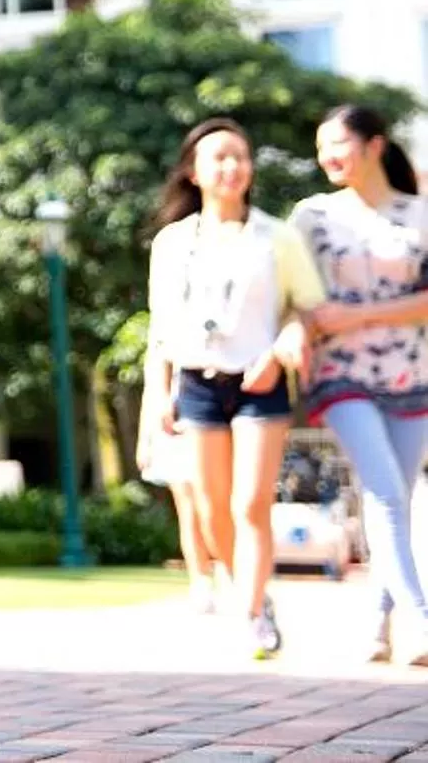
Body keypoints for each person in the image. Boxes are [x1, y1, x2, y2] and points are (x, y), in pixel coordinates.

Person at [141, 116, 322, 659]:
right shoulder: (172, 243)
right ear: (193, 172)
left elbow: (305, 310)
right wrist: (158, 399)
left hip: (258, 380)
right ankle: (255, 592)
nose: (231, 167)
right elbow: (160, 332)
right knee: (213, 510)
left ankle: (248, 615)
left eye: (240, 156)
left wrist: (281, 349)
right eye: (217, 157)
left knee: (250, 505)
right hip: (196, 382)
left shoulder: (277, 235)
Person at [290, 104, 428, 666]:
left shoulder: (419, 214)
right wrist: (298, 333)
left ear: (374, 145)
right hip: (339, 374)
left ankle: (379, 620)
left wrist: (359, 317)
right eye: (321, 146)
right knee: (384, 493)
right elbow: (295, 295)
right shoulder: (312, 215)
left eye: (338, 143)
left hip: (412, 373)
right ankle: (422, 620)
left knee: (399, 496)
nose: (327, 156)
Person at [134, 384, 226, 613]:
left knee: (215, 505)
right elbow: (152, 389)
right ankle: (200, 581)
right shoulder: (161, 350)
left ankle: (228, 568)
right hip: (174, 430)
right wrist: (145, 438)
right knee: (187, 509)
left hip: (209, 420)